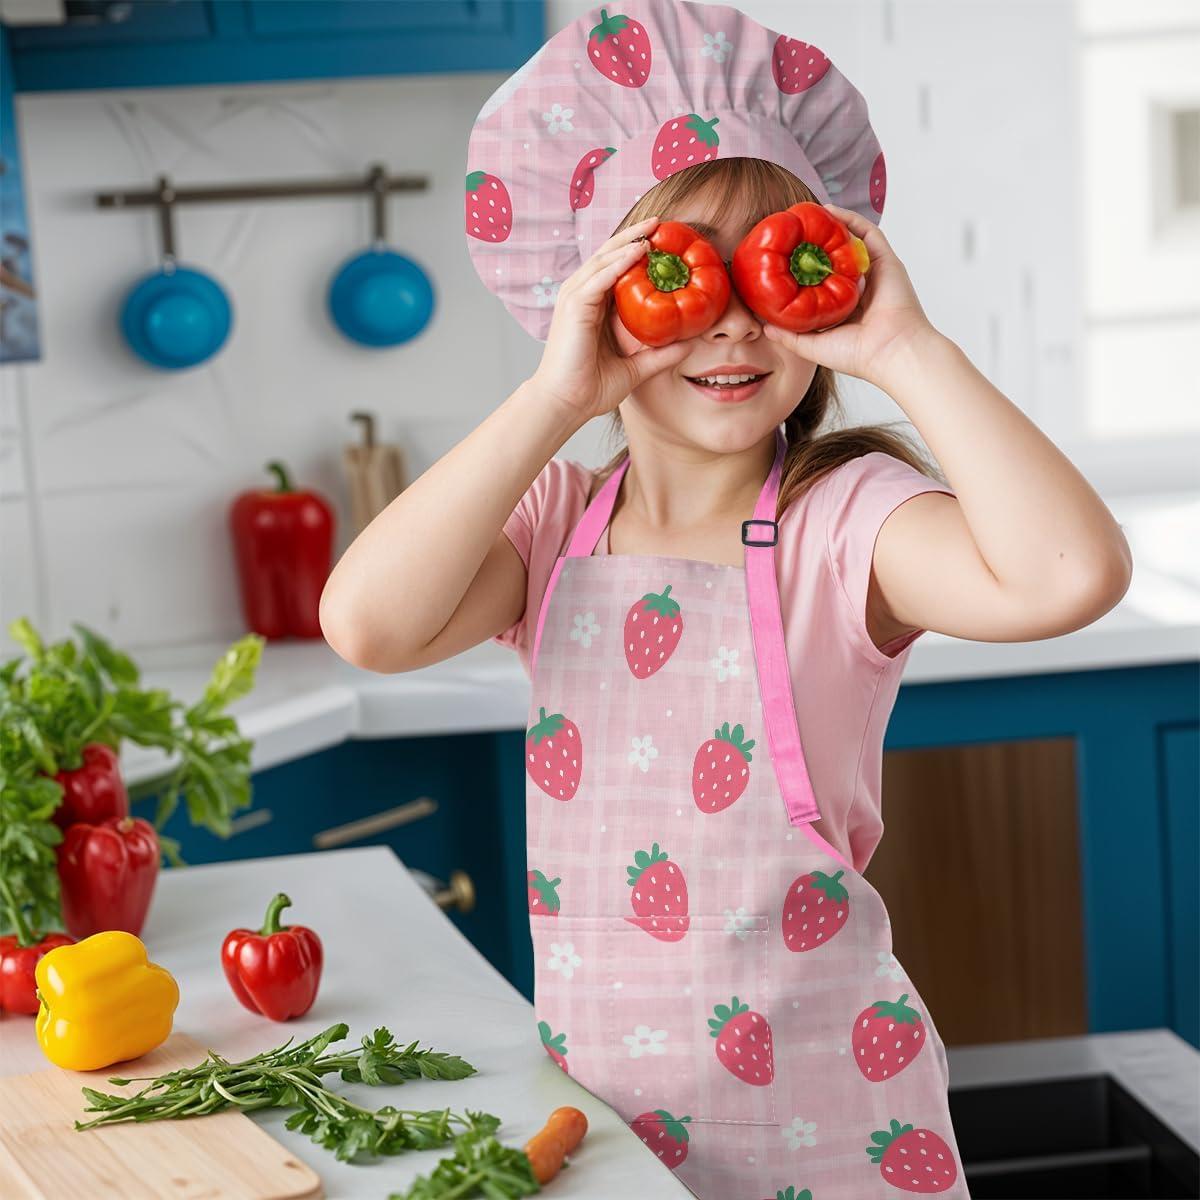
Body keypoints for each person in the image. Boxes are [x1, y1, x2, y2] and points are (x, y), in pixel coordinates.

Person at [320, 3, 1131, 1196]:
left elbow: (1073, 575)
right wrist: (553, 396)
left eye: (770, 268)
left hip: (842, 1120)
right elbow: (368, 626)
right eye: (674, 277)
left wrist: (906, 345)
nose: (736, 322)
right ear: (591, 294)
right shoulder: (549, 528)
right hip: (607, 1125)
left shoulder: (849, 519)